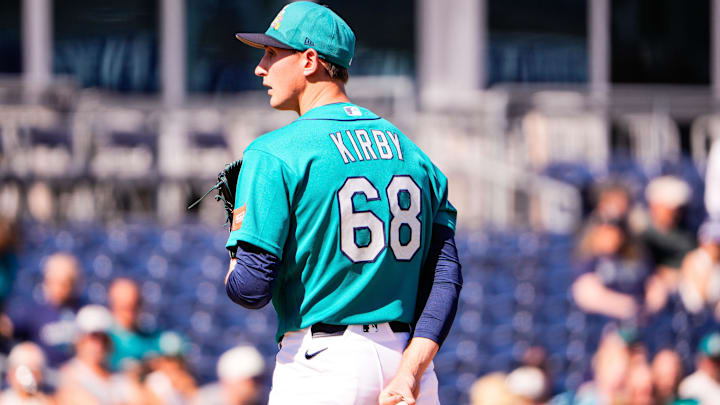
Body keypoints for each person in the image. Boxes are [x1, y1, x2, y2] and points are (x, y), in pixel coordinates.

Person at [225, 2, 462, 404]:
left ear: (310, 60)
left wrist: (235, 228)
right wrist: (410, 370)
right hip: (408, 363)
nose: (260, 68)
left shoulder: (275, 152)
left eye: (271, 54)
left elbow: (249, 288)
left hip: (324, 366)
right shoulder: (414, 154)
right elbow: (445, 278)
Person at [9, 252, 85, 368]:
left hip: (75, 376)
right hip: (45, 377)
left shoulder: (82, 310)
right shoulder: (34, 311)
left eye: (64, 284)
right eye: (53, 282)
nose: (59, 289)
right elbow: (8, 328)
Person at [55, 305, 134, 405]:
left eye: (103, 339)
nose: (99, 345)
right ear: (80, 340)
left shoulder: (118, 376)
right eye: (93, 338)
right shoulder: (70, 376)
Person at [107, 277, 163, 371]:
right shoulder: (103, 339)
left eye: (134, 305)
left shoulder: (150, 339)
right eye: (125, 307)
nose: (130, 313)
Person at [192, 345, 265, 405]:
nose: (255, 386)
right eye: (250, 380)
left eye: (259, 379)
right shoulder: (204, 400)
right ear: (230, 381)